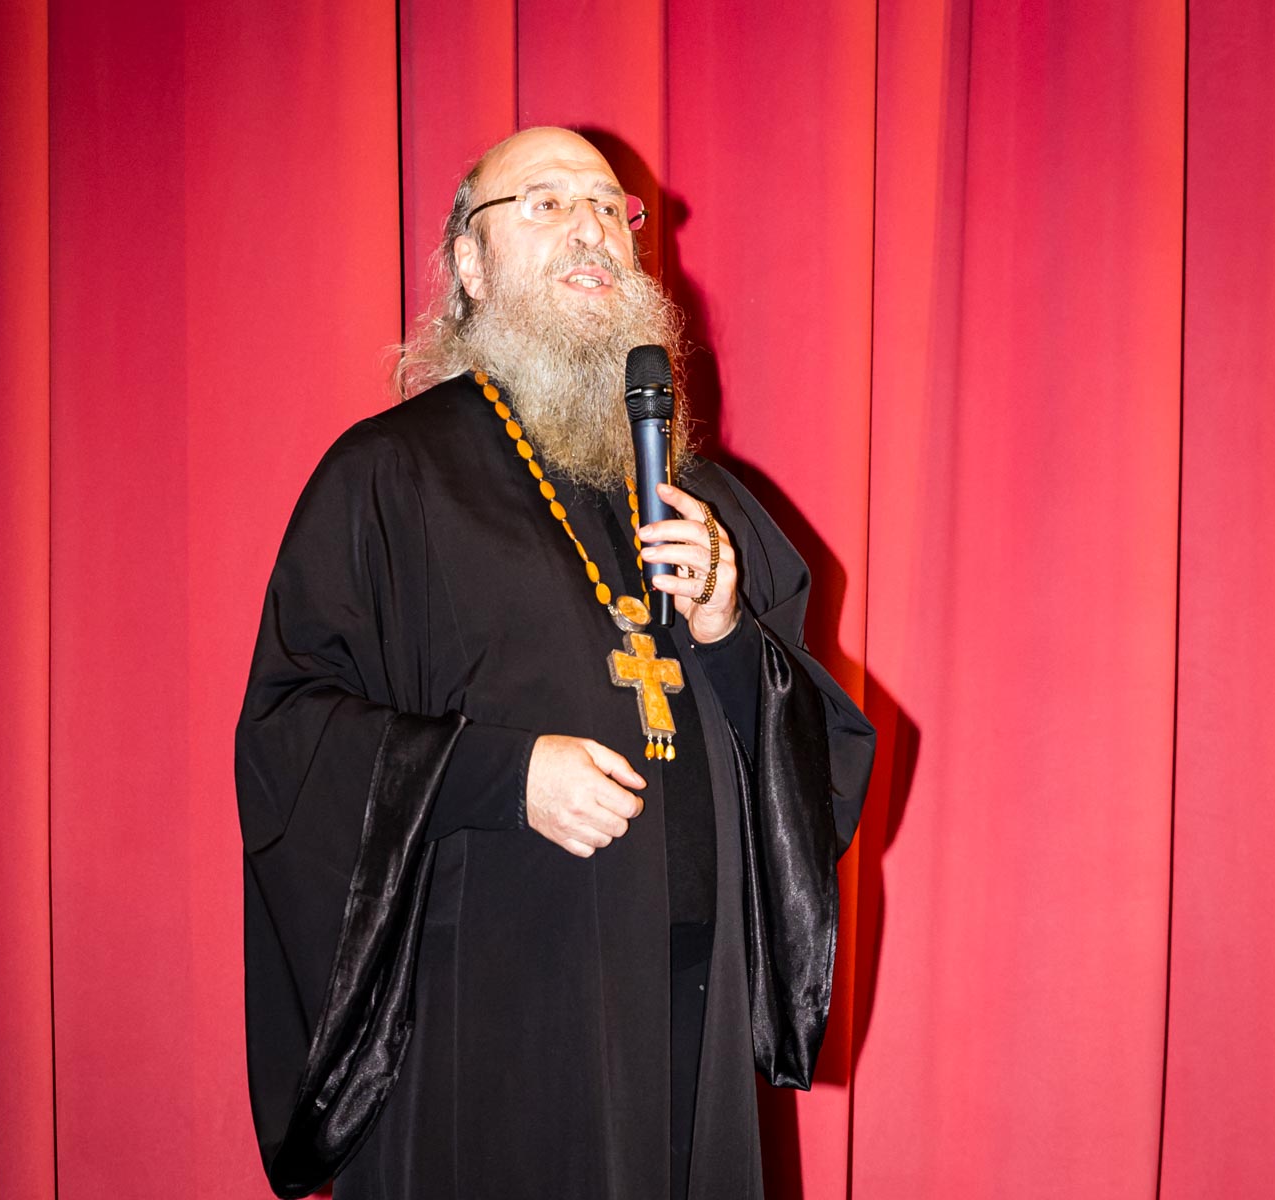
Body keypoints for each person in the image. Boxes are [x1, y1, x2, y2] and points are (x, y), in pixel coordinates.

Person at [235, 126, 875, 1200]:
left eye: (609, 208)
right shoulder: (389, 477)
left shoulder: (705, 499)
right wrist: (502, 774)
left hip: (690, 1028)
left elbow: (818, 773)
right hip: (490, 1028)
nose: (589, 226)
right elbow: (288, 736)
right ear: (471, 266)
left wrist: (727, 633)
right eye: (544, 202)